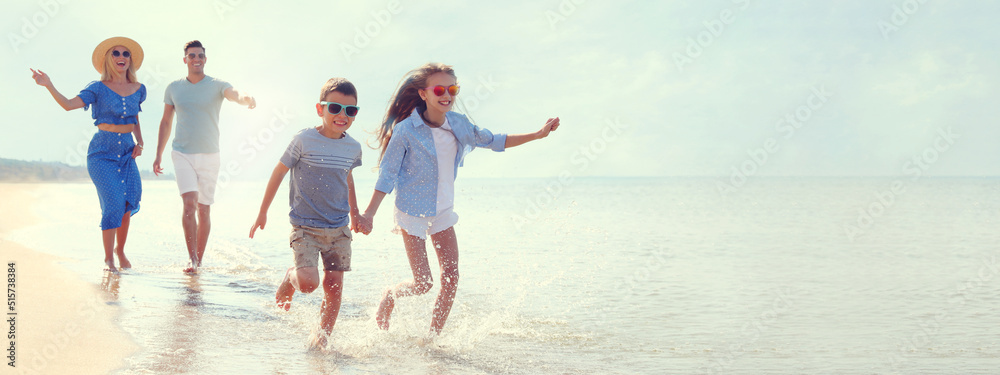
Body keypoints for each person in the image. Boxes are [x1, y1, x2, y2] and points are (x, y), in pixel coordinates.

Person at [361, 63, 560, 337]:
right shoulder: (406, 130)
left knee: (452, 276)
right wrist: (369, 213)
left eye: (452, 89)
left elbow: (494, 140)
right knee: (423, 283)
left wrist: (537, 135)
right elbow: (387, 175)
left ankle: (433, 338)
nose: (447, 95)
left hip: (443, 209)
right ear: (423, 94)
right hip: (412, 212)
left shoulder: (459, 124)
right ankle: (390, 296)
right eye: (440, 89)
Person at [249, 78, 369, 349]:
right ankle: (290, 277)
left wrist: (356, 213)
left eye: (350, 111)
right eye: (335, 108)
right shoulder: (303, 140)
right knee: (308, 284)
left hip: (339, 227)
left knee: (335, 286)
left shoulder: (353, 148)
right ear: (320, 109)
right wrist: (262, 212)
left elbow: (347, 179)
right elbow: (279, 172)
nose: (342, 115)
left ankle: (321, 340)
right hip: (305, 226)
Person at [31, 36, 148, 274]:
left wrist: (140, 143)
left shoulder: (139, 89)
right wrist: (49, 84)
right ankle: (108, 259)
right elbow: (67, 104)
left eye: (126, 54)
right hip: (101, 153)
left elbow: (135, 118)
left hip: (127, 152)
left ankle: (120, 250)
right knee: (113, 204)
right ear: (108, 58)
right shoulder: (97, 87)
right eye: (115, 53)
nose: (121, 57)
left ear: (131, 60)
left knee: (128, 203)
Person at [152, 40, 257, 273]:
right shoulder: (173, 88)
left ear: (205, 59)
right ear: (185, 59)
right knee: (189, 205)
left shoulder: (217, 85)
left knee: (204, 209)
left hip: (210, 155)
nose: (196, 59)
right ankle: (192, 259)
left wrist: (246, 98)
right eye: (191, 56)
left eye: (200, 55)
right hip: (182, 153)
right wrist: (158, 154)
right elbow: (166, 121)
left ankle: (199, 259)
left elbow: (235, 93)